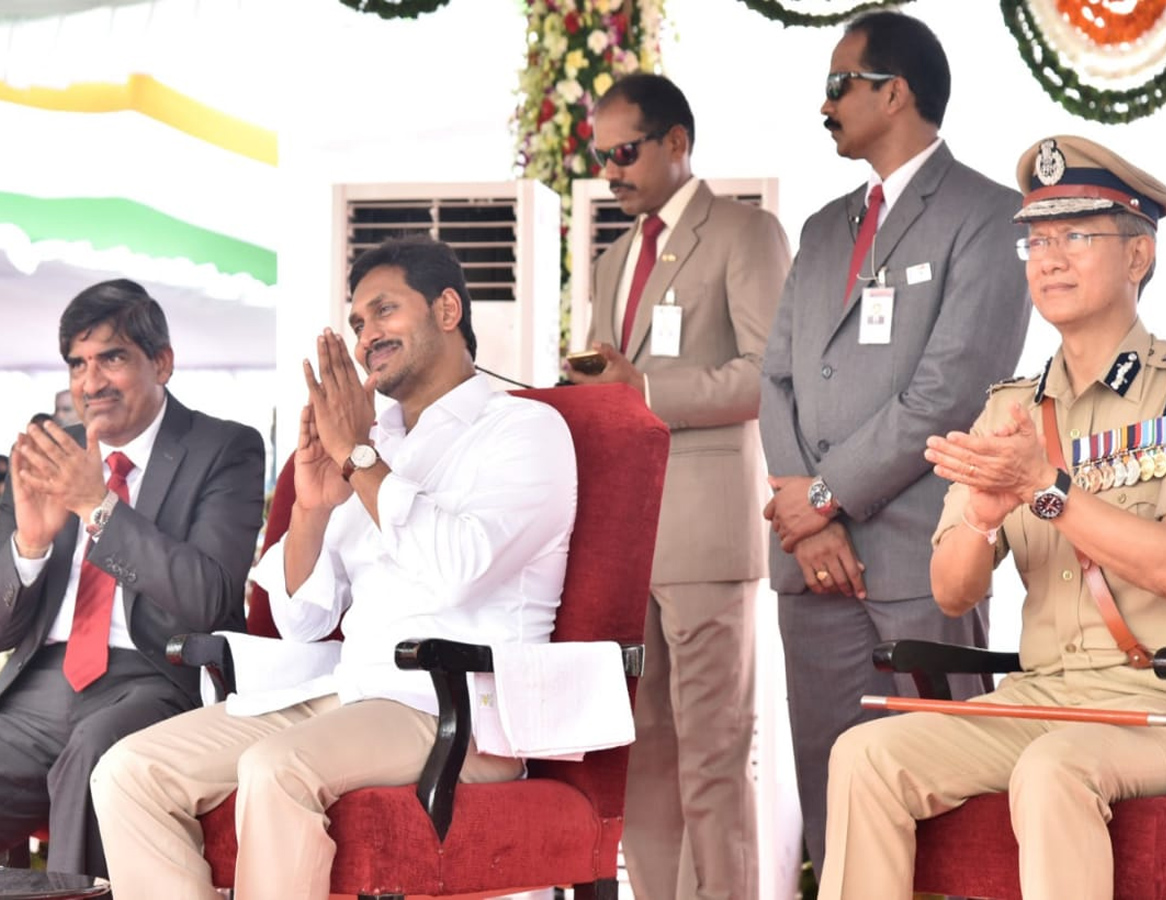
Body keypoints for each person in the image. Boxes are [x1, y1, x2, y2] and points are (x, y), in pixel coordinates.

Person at [92, 236, 578, 900]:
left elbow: (460, 569)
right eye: (356, 323)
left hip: (453, 705)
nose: (366, 335)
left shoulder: (523, 430)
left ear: (445, 309)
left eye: (383, 312)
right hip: (343, 695)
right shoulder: (372, 446)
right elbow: (302, 621)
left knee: (274, 768)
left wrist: (361, 458)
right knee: (127, 770)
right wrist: (314, 511)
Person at [821, 135, 1166, 900]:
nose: (1049, 258)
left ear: (1139, 256)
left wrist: (1046, 487)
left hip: (1154, 704)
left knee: (1052, 769)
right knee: (864, 755)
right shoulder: (1009, 408)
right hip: (1038, 695)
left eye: (1076, 236)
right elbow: (953, 591)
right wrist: (984, 519)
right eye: (1038, 239)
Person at [758, 9, 1032, 879]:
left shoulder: (987, 216)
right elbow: (776, 380)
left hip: (922, 557)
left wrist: (827, 496)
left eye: (839, 85)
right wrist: (811, 514)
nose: (826, 105)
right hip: (814, 561)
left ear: (894, 91)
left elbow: (948, 393)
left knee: (947, 813)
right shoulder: (822, 227)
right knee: (829, 793)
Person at [566, 72, 791, 900]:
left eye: (625, 153)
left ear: (676, 143)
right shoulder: (613, 259)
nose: (612, 171)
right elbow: (613, 378)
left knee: (714, 761)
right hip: (628, 540)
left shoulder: (744, 233)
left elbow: (771, 375)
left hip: (706, 537)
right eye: (602, 157)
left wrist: (643, 394)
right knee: (644, 758)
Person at [0, 279, 265, 877]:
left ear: (162, 362)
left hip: (156, 676)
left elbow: (210, 600)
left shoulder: (224, 447)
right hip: (40, 685)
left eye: (112, 358)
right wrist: (31, 545)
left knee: (96, 759)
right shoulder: (51, 452)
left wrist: (99, 508)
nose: (91, 383)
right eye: (78, 364)